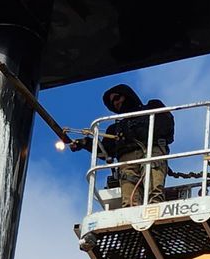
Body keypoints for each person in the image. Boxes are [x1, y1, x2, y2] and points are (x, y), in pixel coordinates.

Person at [72, 83, 173, 211]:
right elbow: (106, 152)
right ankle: (132, 221)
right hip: (127, 162)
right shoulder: (115, 128)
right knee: (129, 204)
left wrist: (137, 131)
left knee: (154, 195)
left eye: (117, 98)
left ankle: (155, 213)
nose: (115, 103)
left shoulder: (152, 108)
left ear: (127, 95)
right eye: (112, 102)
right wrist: (85, 143)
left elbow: (167, 129)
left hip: (151, 153)